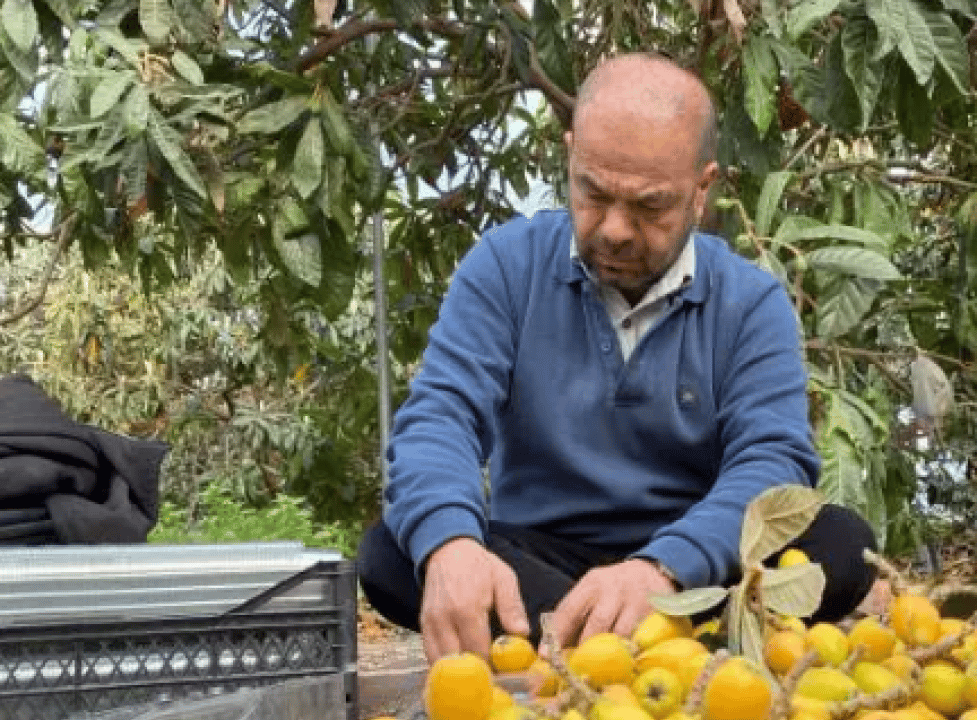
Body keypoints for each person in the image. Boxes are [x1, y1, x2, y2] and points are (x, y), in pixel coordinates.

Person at [357, 53, 879, 663]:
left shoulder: (751, 302)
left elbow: (773, 461)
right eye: (593, 192)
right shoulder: (505, 266)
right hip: (543, 555)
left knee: (841, 544)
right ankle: (666, 653)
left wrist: (662, 568)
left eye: (650, 206)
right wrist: (450, 547)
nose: (614, 230)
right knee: (396, 552)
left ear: (701, 189)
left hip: (692, 572)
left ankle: (597, 646)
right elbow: (440, 417)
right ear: (571, 155)